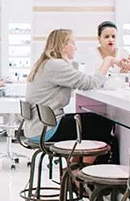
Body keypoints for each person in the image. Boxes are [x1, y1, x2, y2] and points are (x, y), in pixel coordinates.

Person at [23, 29, 118, 164]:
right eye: (73, 43)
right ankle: (81, 170)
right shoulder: (56, 64)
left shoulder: (45, 63)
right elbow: (90, 83)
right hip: (47, 129)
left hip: (37, 127)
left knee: (90, 123)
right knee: (101, 124)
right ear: (63, 45)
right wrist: (107, 62)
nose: (75, 47)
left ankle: (73, 167)